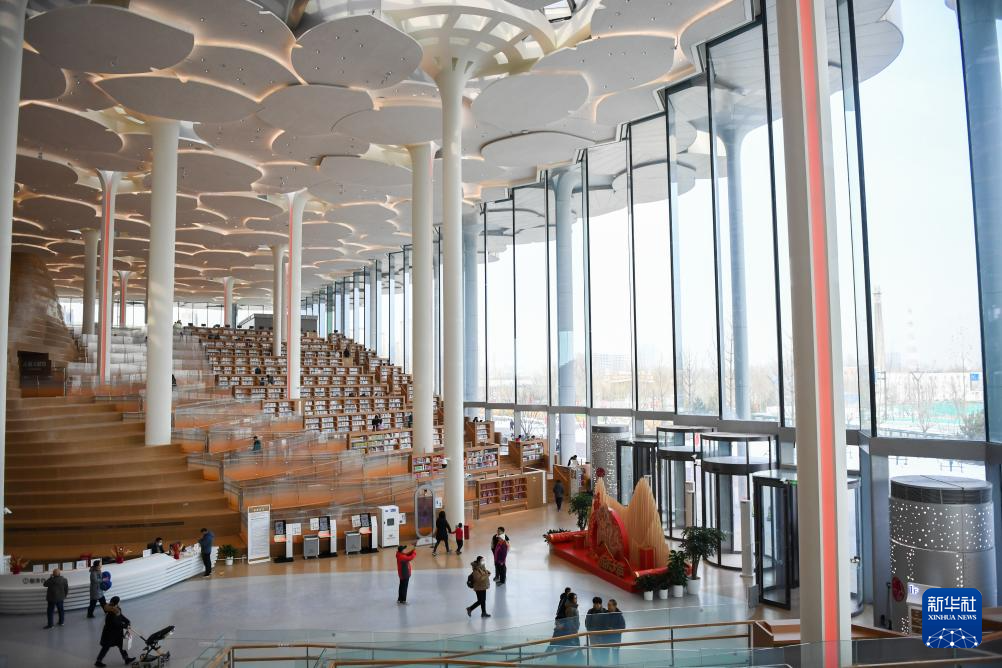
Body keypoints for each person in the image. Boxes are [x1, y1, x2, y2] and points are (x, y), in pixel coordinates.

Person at [95, 596, 134, 667]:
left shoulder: (117, 609)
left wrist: (127, 621)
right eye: (119, 601)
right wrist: (125, 626)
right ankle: (98, 661)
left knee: (121, 645)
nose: (120, 602)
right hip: (110, 634)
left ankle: (126, 659)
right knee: (106, 647)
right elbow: (115, 623)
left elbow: (120, 616)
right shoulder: (111, 612)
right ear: (117, 603)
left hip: (116, 633)